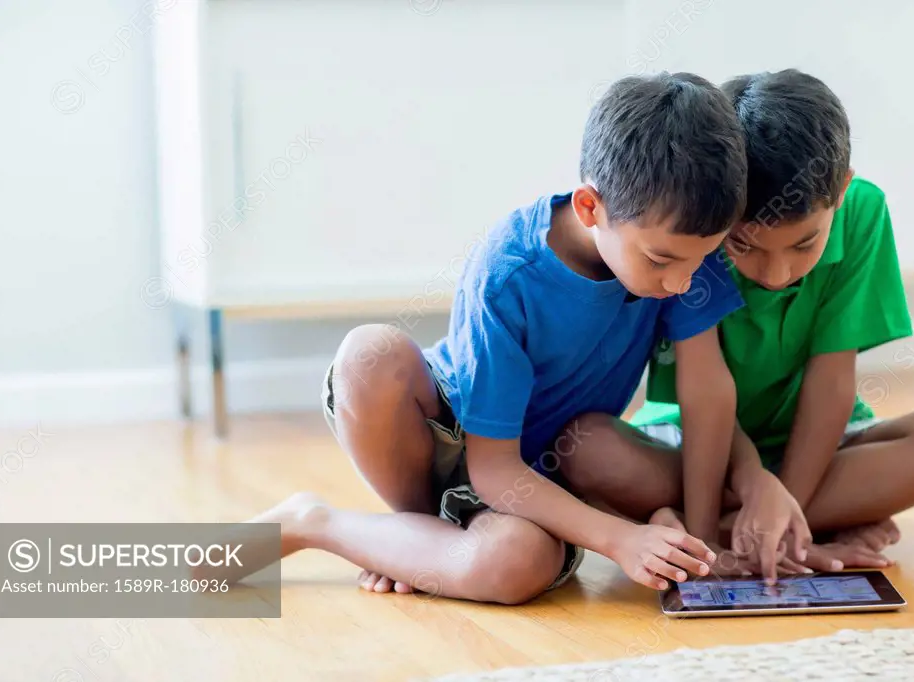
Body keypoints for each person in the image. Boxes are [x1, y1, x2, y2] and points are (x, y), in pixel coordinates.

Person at [218, 72, 760, 605]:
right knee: (368, 355)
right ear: (590, 207)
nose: (682, 282)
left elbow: (707, 395)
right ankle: (322, 523)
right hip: (462, 440)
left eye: (700, 259)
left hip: (544, 477)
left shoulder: (686, 239)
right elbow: (492, 467)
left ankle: (412, 550)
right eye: (661, 261)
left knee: (512, 564)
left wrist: (704, 534)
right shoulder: (509, 270)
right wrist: (621, 539)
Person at [566, 68, 914, 582]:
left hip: (819, 446)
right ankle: (792, 525)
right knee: (585, 448)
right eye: (744, 245)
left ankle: (752, 533)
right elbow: (707, 396)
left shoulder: (862, 211)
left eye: (804, 244)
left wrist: (786, 502)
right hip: (696, 451)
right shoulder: (698, 221)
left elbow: (831, 381)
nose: (776, 273)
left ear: (840, 193)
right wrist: (752, 485)